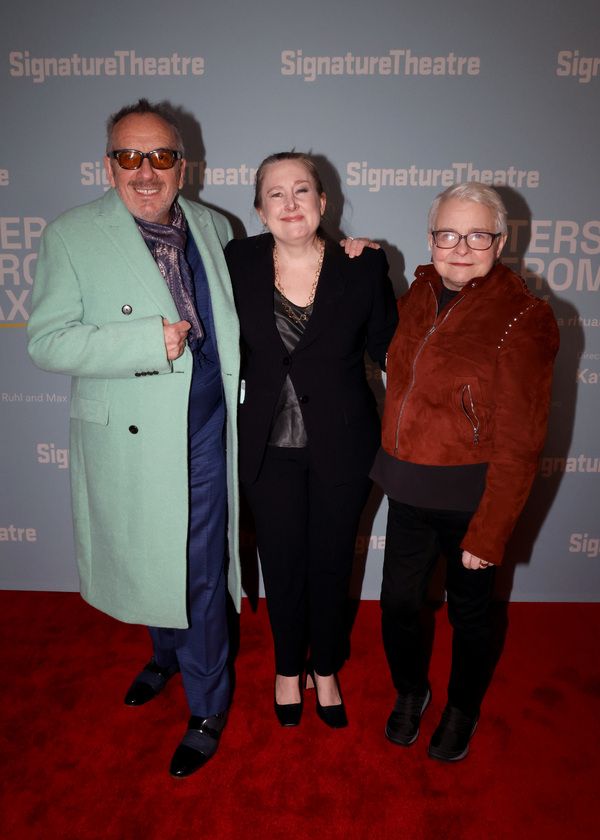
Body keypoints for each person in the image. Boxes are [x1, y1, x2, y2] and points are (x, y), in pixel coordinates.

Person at [27, 99, 241, 778]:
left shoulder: (216, 225)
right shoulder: (72, 234)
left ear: (184, 165)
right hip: (129, 430)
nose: (146, 171)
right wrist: (143, 341)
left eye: (161, 156)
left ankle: (207, 706)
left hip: (205, 424)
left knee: (202, 567)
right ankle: (166, 655)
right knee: (150, 551)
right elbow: (47, 341)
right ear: (108, 164)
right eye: (129, 156)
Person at [371, 182, 559, 761]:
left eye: (477, 234)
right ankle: (411, 691)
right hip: (406, 488)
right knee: (399, 604)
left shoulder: (524, 317)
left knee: (470, 613)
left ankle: (462, 708)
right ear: (430, 238)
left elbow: (522, 440)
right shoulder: (416, 293)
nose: (460, 247)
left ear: (499, 241)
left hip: (472, 500)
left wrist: (489, 531)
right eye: (447, 234)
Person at [225, 152, 398, 728]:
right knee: (281, 562)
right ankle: (284, 666)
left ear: (324, 203)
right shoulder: (237, 260)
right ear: (259, 208)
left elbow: (389, 348)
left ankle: (323, 666)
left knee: (329, 562)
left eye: (303, 191)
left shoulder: (364, 266)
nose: (291, 203)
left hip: (343, 443)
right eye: (276, 193)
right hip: (267, 446)